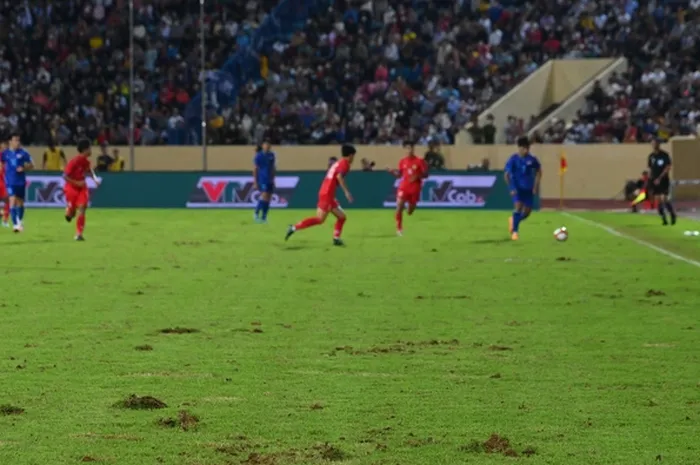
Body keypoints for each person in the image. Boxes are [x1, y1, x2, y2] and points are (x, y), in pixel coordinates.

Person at [285, 145, 356, 246]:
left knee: (342, 217)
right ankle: (293, 227)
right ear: (350, 155)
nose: (353, 159)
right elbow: (339, 176)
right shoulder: (345, 164)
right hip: (327, 194)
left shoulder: (338, 163)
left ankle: (336, 238)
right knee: (320, 219)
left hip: (327, 192)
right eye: (353, 156)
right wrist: (346, 192)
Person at [504, 137, 542, 241]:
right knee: (518, 207)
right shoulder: (513, 159)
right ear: (519, 148)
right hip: (518, 189)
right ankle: (515, 233)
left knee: (527, 212)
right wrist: (511, 188)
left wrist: (535, 186)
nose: (526, 150)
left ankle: (514, 220)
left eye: (528, 148)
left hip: (528, 189)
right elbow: (506, 175)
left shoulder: (532, 159)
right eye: (524, 148)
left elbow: (539, 171)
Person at [388, 142, 429, 236]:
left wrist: (418, 176)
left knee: (410, 211)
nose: (409, 150)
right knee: (398, 206)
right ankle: (399, 229)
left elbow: (426, 174)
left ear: (413, 149)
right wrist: (392, 172)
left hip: (415, 189)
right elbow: (399, 175)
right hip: (404, 187)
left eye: (411, 148)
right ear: (405, 149)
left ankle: (408, 207)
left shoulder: (420, 161)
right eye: (407, 148)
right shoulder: (402, 161)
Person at [63, 139, 101, 241]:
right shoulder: (74, 162)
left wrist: (95, 179)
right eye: (90, 148)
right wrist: (77, 183)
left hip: (82, 188)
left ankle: (79, 233)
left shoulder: (86, 162)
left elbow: (89, 170)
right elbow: (65, 176)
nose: (91, 150)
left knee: (82, 208)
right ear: (85, 149)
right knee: (71, 214)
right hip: (71, 188)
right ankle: (69, 210)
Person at [1, 133, 33, 232]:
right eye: (15, 140)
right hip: (10, 181)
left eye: (18, 140)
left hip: (20, 181)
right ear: (10, 141)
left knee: (20, 203)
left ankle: (19, 221)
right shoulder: (4, 153)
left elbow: (32, 165)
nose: (17, 142)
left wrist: (23, 168)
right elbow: (1, 163)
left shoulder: (24, 153)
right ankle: (15, 224)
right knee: (12, 200)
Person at [647, 139, 676, 225]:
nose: (654, 145)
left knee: (664, 199)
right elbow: (650, 169)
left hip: (663, 180)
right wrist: (650, 179)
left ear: (659, 144)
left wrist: (659, 178)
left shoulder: (664, 155)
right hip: (654, 181)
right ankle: (664, 219)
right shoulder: (651, 156)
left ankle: (672, 214)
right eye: (652, 143)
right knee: (658, 201)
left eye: (655, 143)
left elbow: (667, 167)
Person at [253, 141, 276, 223]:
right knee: (264, 196)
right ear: (262, 146)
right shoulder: (259, 156)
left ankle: (264, 217)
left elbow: (273, 168)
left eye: (268, 145)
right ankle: (256, 213)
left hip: (270, 179)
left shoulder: (272, 155)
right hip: (263, 179)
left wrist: (273, 179)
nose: (267, 146)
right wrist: (255, 181)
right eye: (265, 145)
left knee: (268, 198)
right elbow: (255, 169)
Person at [0, 140, 9, 227]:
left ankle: (5, 220)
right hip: (1, 183)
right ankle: (4, 218)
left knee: (8, 201)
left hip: (2, 182)